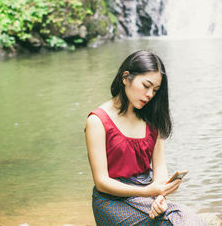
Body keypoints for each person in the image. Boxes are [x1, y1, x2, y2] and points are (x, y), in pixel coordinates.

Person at [85, 50, 207, 225]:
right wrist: (149, 191)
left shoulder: (152, 118)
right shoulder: (97, 121)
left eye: (155, 90)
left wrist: (160, 197)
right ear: (126, 77)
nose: (150, 95)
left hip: (147, 196)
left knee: (188, 218)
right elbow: (102, 182)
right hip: (111, 202)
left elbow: (159, 167)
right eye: (146, 85)